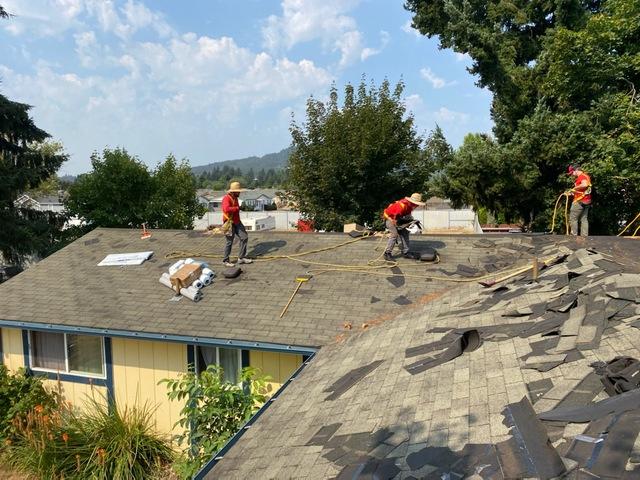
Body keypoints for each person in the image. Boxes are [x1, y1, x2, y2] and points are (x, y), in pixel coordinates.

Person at [382, 193, 426, 261]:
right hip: (389, 219)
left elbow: (407, 217)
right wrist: (399, 225)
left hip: (398, 219)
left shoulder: (409, 206)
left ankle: (406, 252)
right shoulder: (401, 206)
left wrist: (412, 222)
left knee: (405, 232)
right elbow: (389, 216)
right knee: (394, 234)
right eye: (416, 204)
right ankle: (387, 253)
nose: (417, 206)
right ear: (412, 203)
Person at [221, 181, 253, 267]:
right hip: (229, 223)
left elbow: (235, 209)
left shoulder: (235, 198)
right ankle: (225, 260)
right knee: (229, 242)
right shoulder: (226, 198)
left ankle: (241, 258)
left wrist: (240, 208)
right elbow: (226, 209)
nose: (239, 193)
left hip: (237, 222)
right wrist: (238, 208)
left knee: (244, 237)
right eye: (238, 191)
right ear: (233, 191)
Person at [567, 165, 592, 236]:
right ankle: (584, 237)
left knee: (573, 218)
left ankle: (573, 236)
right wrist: (571, 193)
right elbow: (582, 189)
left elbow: (584, 185)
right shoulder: (586, 176)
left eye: (572, 173)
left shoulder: (582, 176)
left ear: (576, 170)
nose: (572, 174)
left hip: (579, 200)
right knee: (584, 219)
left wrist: (574, 188)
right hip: (587, 200)